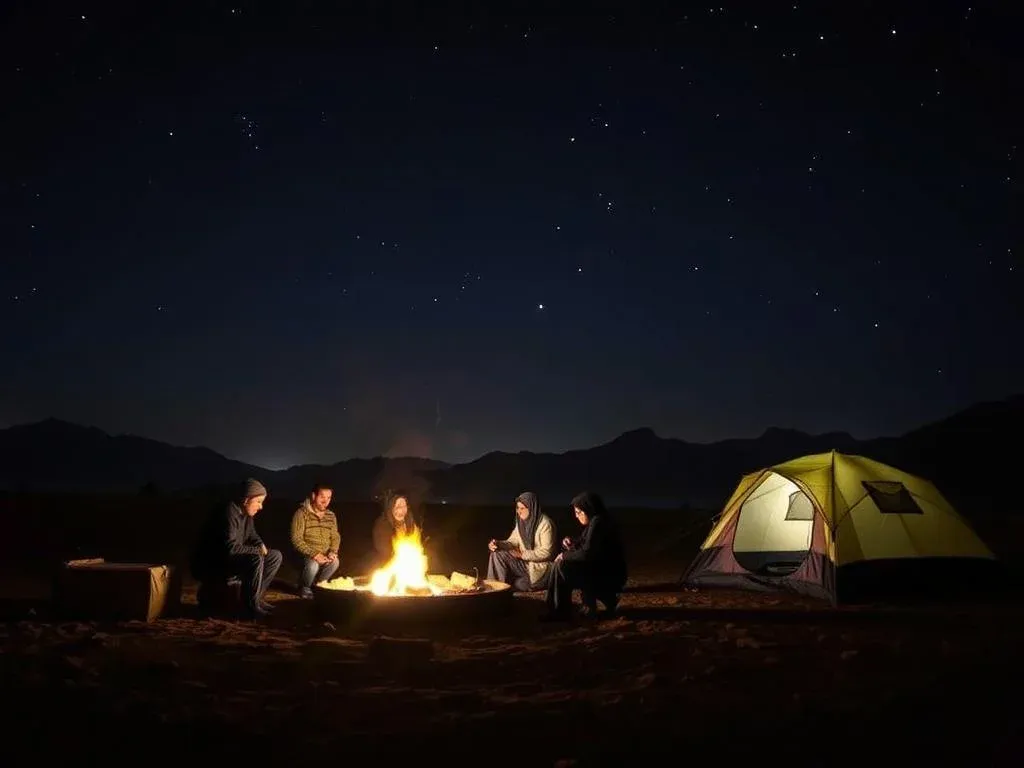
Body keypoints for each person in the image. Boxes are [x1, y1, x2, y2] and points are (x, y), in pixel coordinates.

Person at [190, 478, 283, 619]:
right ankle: (249, 609)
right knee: (255, 558)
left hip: (230, 558)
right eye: (258, 502)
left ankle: (256, 599)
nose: (261, 507)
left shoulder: (245, 514)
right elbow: (230, 548)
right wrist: (257, 551)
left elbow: (252, 534)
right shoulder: (228, 512)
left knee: (275, 556)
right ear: (246, 500)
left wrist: (259, 544)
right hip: (214, 564)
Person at [542, 491, 627, 621]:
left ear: (589, 509)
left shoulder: (599, 522)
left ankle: (560, 610)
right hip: (599, 569)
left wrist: (564, 556)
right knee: (560, 565)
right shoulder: (596, 521)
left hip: (608, 574)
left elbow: (587, 553)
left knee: (562, 566)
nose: (577, 516)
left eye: (579, 512)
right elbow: (586, 544)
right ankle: (558, 609)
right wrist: (572, 542)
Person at [486, 491, 557, 592]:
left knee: (519, 584)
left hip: (539, 568)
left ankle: (507, 586)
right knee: (497, 554)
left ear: (532, 508)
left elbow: (547, 552)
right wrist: (498, 544)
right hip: (525, 564)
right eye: (517, 508)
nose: (519, 511)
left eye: (522, 508)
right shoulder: (521, 523)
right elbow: (512, 541)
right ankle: (494, 589)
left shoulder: (545, 524)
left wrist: (522, 554)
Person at [290, 482, 341, 598]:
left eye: (329, 497)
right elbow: (296, 539)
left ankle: (318, 586)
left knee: (335, 562)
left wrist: (333, 551)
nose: (325, 501)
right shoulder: (301, 513)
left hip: (324, 554)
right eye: (322, 496)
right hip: (304, 555)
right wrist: (314, 554)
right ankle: (304, 588)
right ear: (314, 496)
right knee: (313, 564)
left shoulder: (331, 516)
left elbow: (335, 536)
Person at [372, 490, 420, 567]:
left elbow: (417, 545)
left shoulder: (410, 522)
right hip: (387, 566)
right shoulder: (382, 524)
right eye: (397, 506)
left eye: (404, 506)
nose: (401, 510)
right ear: (390, 508)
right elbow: (384, 551)